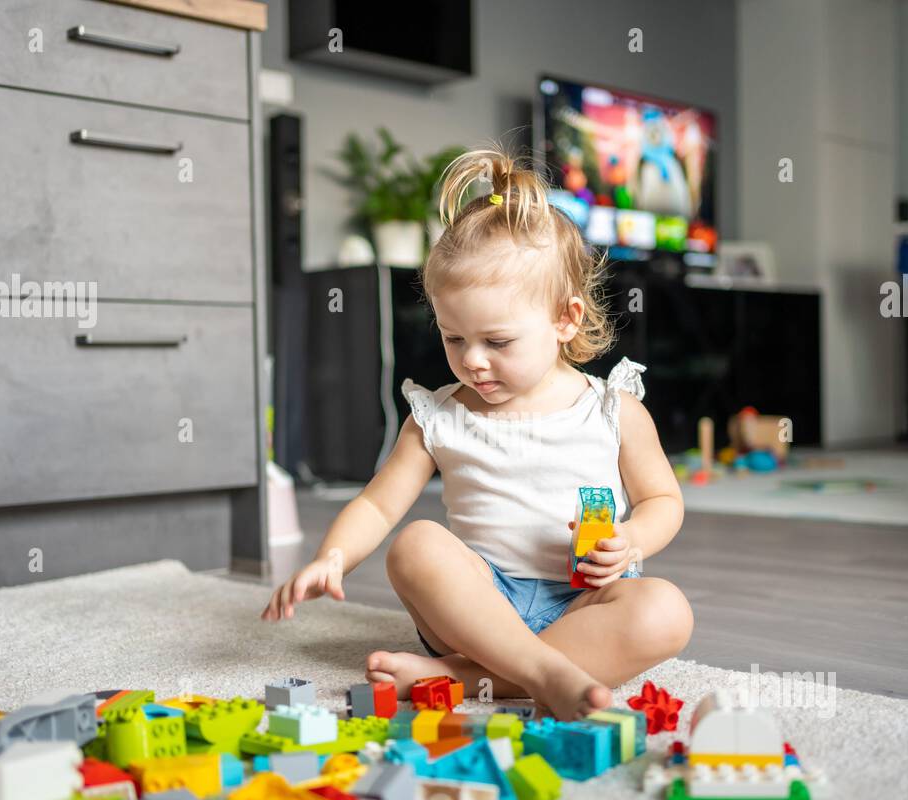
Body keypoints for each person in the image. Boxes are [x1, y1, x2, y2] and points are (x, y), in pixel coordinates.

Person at [263, 145, 693, 721]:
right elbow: (377, 503)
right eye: (453, 338)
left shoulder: (613, 408)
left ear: (565, 320)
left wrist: (632, 542)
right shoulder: (440, 415)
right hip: (479, 607)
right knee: (416, 545)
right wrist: (331, 556)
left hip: (584, 599)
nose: (473, 362)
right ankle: (543, 673)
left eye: (498, 341)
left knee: (666, 611)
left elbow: (662, 500)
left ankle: (467, 680)